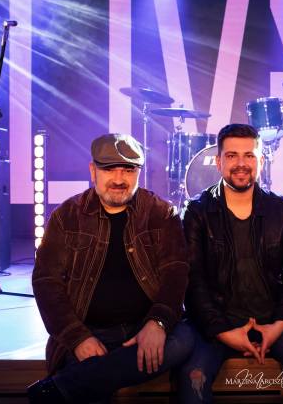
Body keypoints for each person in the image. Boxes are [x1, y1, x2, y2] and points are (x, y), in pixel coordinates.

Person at [28, 133, 193, 403]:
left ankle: (58, 389)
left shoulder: (161, 213)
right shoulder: (67, 216)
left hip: (145, 325)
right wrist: (78, 338)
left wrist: (158, 323)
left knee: (184, 340)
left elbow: (176, 273)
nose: (119, 179)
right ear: (93, 171)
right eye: (109, 169)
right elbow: (46, 282)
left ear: (139, 172)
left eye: (128, 170)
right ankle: (98, 374)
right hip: (90, 329)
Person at [178, 123, 283, 403]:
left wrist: (277, 327)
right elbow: (193, 281)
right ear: (219, 161)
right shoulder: (197, 212)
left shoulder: (282, 210)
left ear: (261, 160)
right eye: (232, 156)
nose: (241, 164)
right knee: (192, 379)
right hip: (215, 322)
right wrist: (225, 333)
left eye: (249, 155)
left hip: (276, 319)